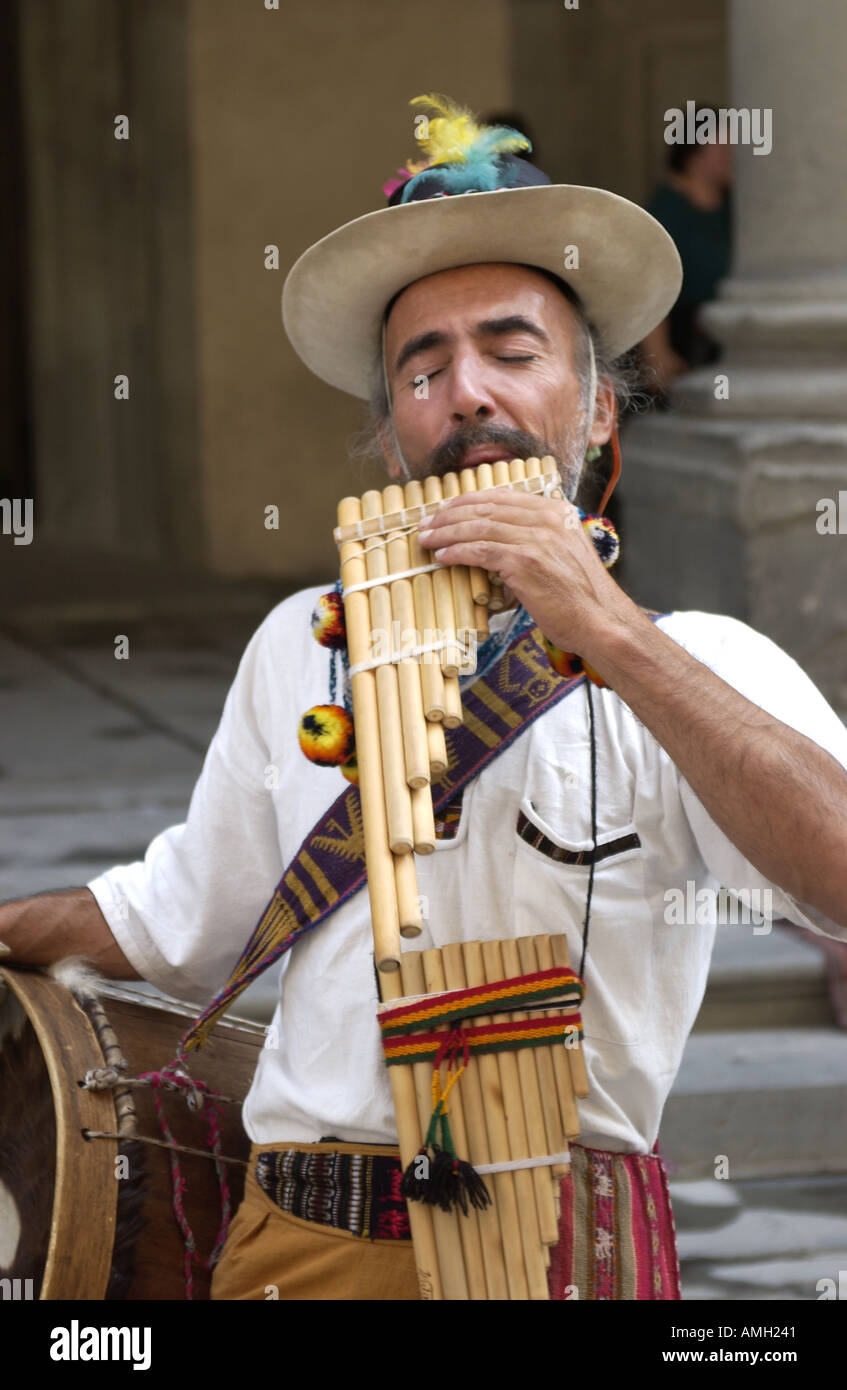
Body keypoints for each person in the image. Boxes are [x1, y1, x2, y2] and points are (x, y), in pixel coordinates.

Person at [2, 96, 846, 1302]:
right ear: (394, 441)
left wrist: (600, 626)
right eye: (423, 368)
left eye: (512, 351)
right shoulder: (300, 643)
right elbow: (181, 919)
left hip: (560, 1253)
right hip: (300, 1244)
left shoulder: (704, 660)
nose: (468, 395)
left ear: (598, 410)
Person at [640, 104, 733, 398]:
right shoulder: (668, 209)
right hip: (685, 348)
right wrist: (658, 353)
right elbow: (649, 284)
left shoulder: (735, 209)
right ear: (696, 151)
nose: (735, 155)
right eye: (725, 146)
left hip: (731, 340)